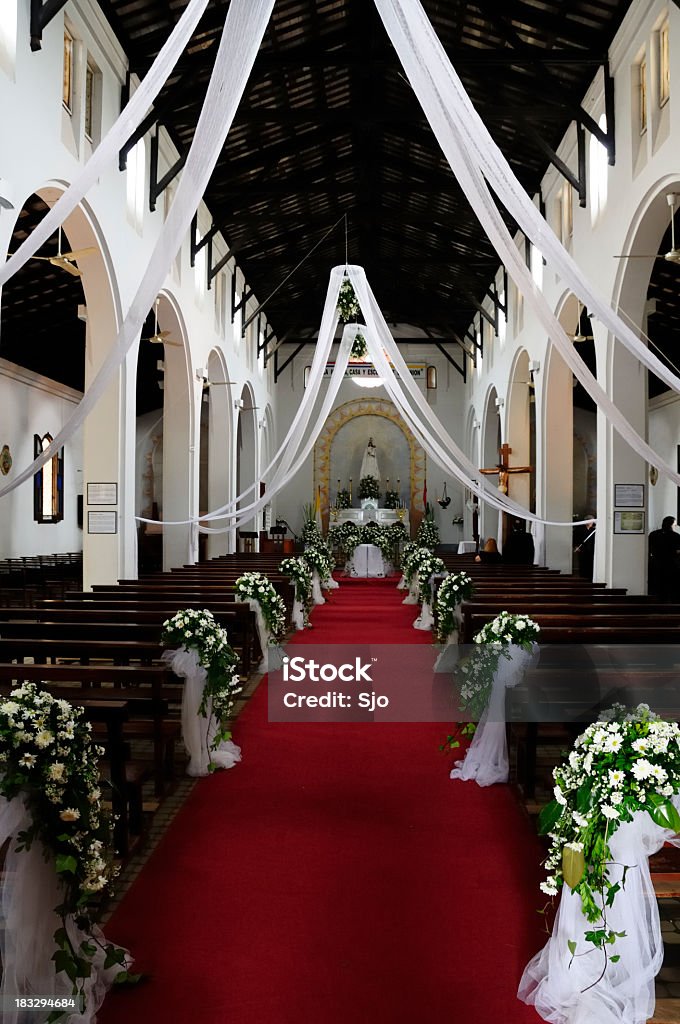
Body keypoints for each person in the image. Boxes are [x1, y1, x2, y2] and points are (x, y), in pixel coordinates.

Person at [648, 516, 680, 602]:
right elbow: (678, 551)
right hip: (671, 565)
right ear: (671, 525)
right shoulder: (676, 536)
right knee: (671, 587)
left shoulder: (653, 534)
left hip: (656, 564)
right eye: (675, 524)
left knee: (658, 586)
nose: (675, 526)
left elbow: (649, 549)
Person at [573, 516, 596, 580]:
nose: (591, 522)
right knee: (582, 563)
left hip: (592, 550)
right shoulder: (579, 529)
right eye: (590, 521)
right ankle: (583, 577)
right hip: (582, 549)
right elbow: (575, 538)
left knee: (591, 563)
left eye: (592, 521)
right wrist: (576, 546)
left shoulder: (594, 529)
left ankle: (590, 577)